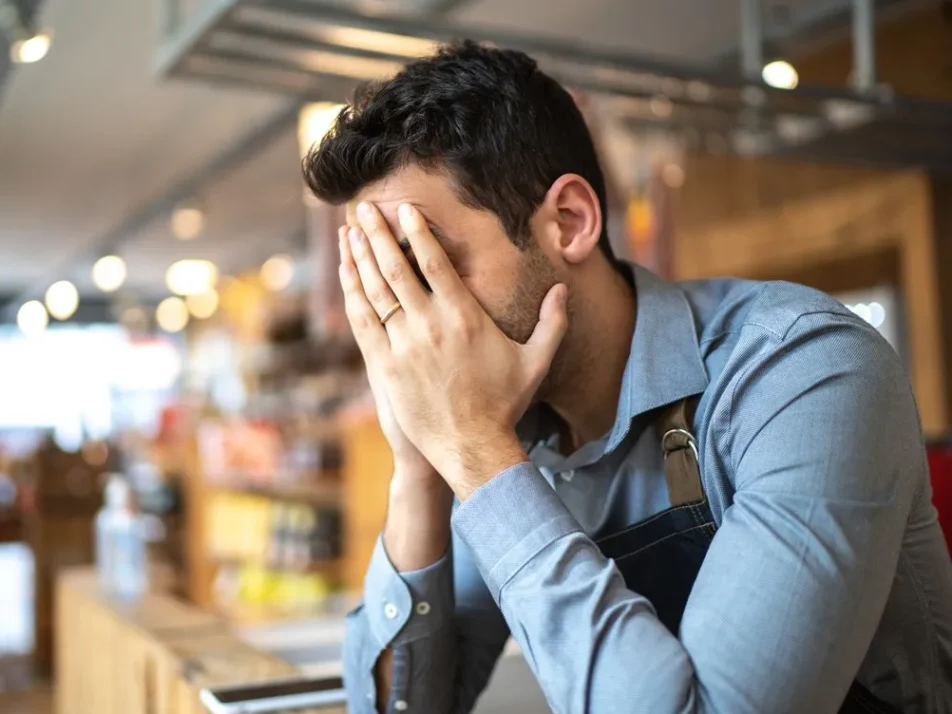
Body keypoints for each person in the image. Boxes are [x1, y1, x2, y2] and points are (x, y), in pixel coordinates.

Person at [301, 40, 952, 714]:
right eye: (385, 282)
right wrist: (418, 466)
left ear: (569, 222)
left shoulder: (801, 369)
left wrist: (475, 454)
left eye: (427, 262)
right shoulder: (497, 423)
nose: (412, 320)